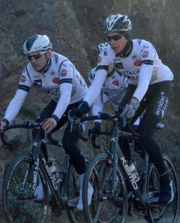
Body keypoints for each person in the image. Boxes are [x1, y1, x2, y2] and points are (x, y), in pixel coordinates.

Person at [70, 14, 174, 205]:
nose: (112, 42)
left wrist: (134, 103)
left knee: (144, 134)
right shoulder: (107, 53)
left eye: (116, 37)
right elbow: (97, 85)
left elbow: (145, 80)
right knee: (121, 125)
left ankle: (165, 181)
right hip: (136, 86)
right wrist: (84, 106)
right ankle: (133, 177)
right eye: (108, 38)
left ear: (126, 35)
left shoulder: (144, 47)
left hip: (159, 85)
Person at [0, 34, 93, 211]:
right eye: (29, 57)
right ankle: (47, 176)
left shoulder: (63, 65)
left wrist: (56, 118)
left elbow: (66, 94)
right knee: (37, 132)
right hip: (58, 102)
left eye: (36, 56)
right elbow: (18, 98)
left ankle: (86, 186)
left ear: (48, 53)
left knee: (69, 144)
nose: (32, 60)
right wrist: (5, 120)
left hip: (79, 102)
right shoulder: (29, 70)